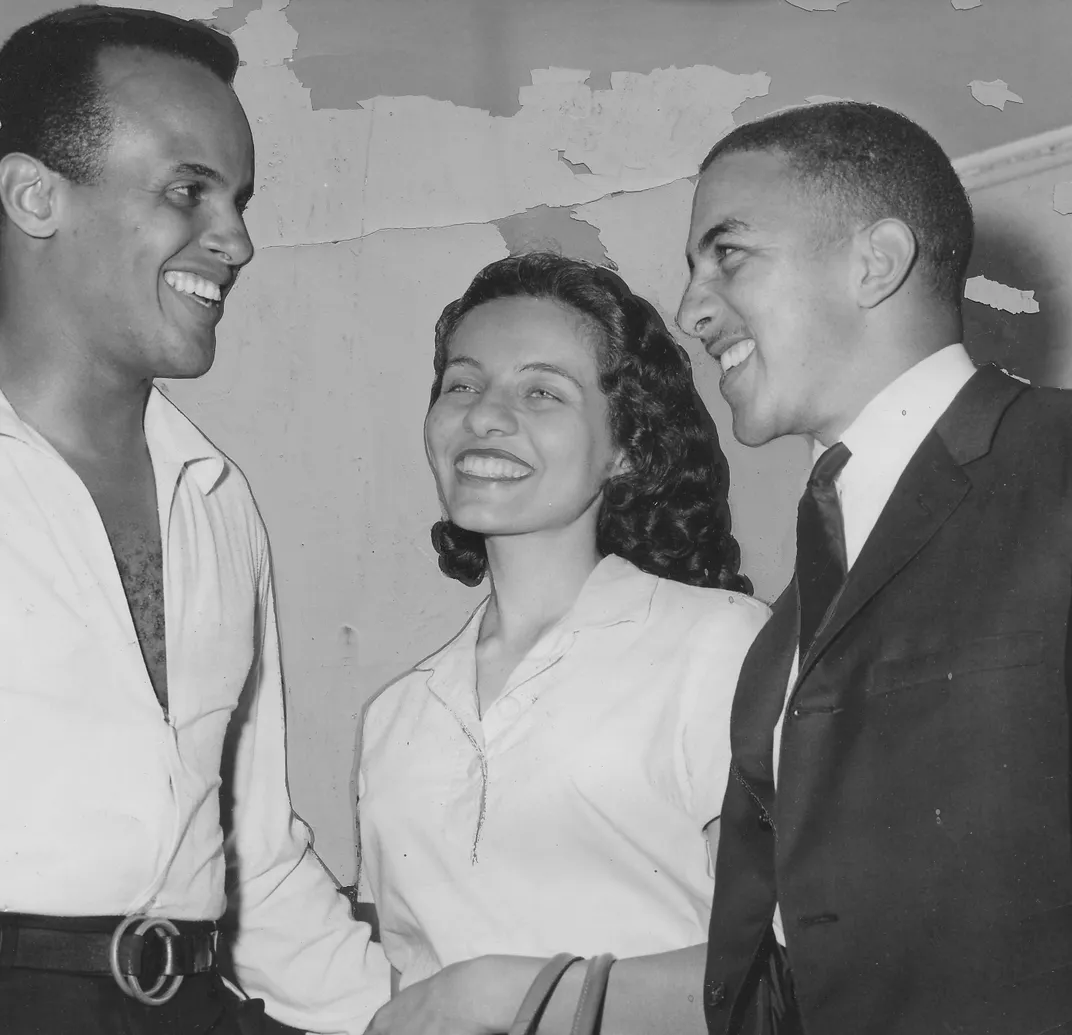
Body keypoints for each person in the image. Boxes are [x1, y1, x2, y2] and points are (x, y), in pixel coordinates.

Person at [364, 102, 1072, 1035]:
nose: (694, 307)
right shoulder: (787, 635)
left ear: (876, 260)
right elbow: (780, 977)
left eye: (728, 253)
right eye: (461, 383)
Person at [0, 7, 388, 1034]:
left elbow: (256, 857)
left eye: (239, 198)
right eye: (188, 192)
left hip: (190, 1001)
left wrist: (402, 1022)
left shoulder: (216, 499)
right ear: (35, 196)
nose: (238, 240)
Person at [357, 253, 768, 1010]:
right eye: (462, 383)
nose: (485, 414)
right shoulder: (396, 717)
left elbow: (781, 968)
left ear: (627, 448)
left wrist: (511, 996)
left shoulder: (720, 644)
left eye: (541, 390)